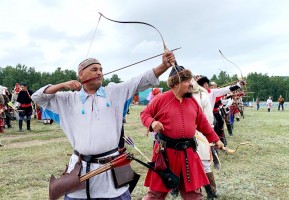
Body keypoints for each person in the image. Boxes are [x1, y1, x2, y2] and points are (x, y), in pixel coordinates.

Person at [32, 52, 176, 200]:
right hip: (80, 172)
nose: (99, 72)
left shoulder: (114, 92)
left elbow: (139, 81)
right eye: (94, 69)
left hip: (111, 170)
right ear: (81, 75)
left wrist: (164, 65)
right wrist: (63, 85)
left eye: (101, 69)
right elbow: (36, 97)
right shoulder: (67, 99)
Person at [140, 66, 224, 200]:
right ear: (176, 83)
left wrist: (216, 139)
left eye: (191, 81)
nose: (191, 84)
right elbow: (145, 114)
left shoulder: (193, 102)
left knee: (194, 195)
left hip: (188, 153)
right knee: (155, 195)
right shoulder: (161, 99)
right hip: (165, 153)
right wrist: (152, 123)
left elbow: (203, 124)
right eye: (187, 81)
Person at [191, 79, 218, 199]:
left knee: (204, 163)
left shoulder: (203, 96)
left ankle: (211, 191)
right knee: (189, 164)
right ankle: (195, 192)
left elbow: (208, 120)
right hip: (185, 136)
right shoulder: (180, 96)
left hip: (201, 134)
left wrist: (209, 135)